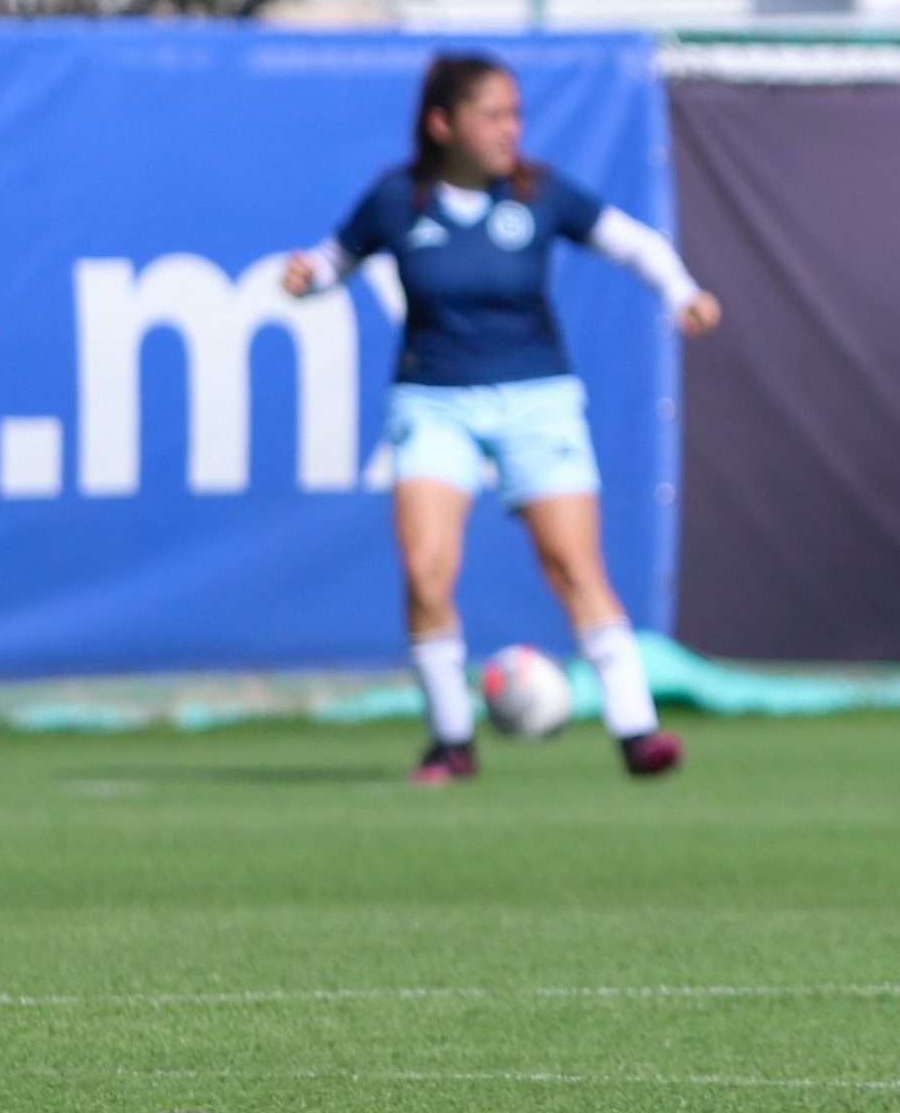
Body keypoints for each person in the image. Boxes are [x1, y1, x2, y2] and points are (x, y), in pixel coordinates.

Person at [282, 52, 722, 783]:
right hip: (433, 400)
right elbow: (332, 260)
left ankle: (637, 730)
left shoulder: (540, 193)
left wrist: (682, 292)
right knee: (427, 571)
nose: (509, 129)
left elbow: (635, 242)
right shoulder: (399, 199)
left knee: (575, 565)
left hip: (537, 399)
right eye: (493, 115)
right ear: (442, 123)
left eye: (515, 113)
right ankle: (452, 740)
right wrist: (307, 278)